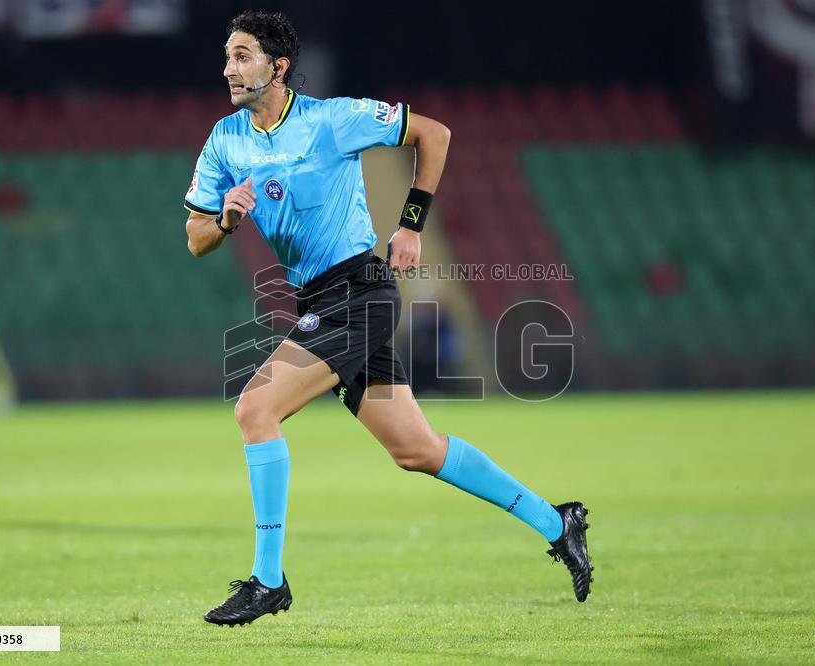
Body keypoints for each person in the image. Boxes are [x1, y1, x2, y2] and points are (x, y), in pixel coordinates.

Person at [183, 10, 592, 627]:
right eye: (227, 56)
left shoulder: (331, 118)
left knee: (254, 408)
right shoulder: (225, 139)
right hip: (317, 301)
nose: (229, 68)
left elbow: (436, 134)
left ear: (278, 65)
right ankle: (556, 521)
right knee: (417, 450)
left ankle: (269, 581)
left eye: (242, 56)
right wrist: (226, 220)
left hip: (357, 293)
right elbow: (194, 237)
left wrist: (410, 224)